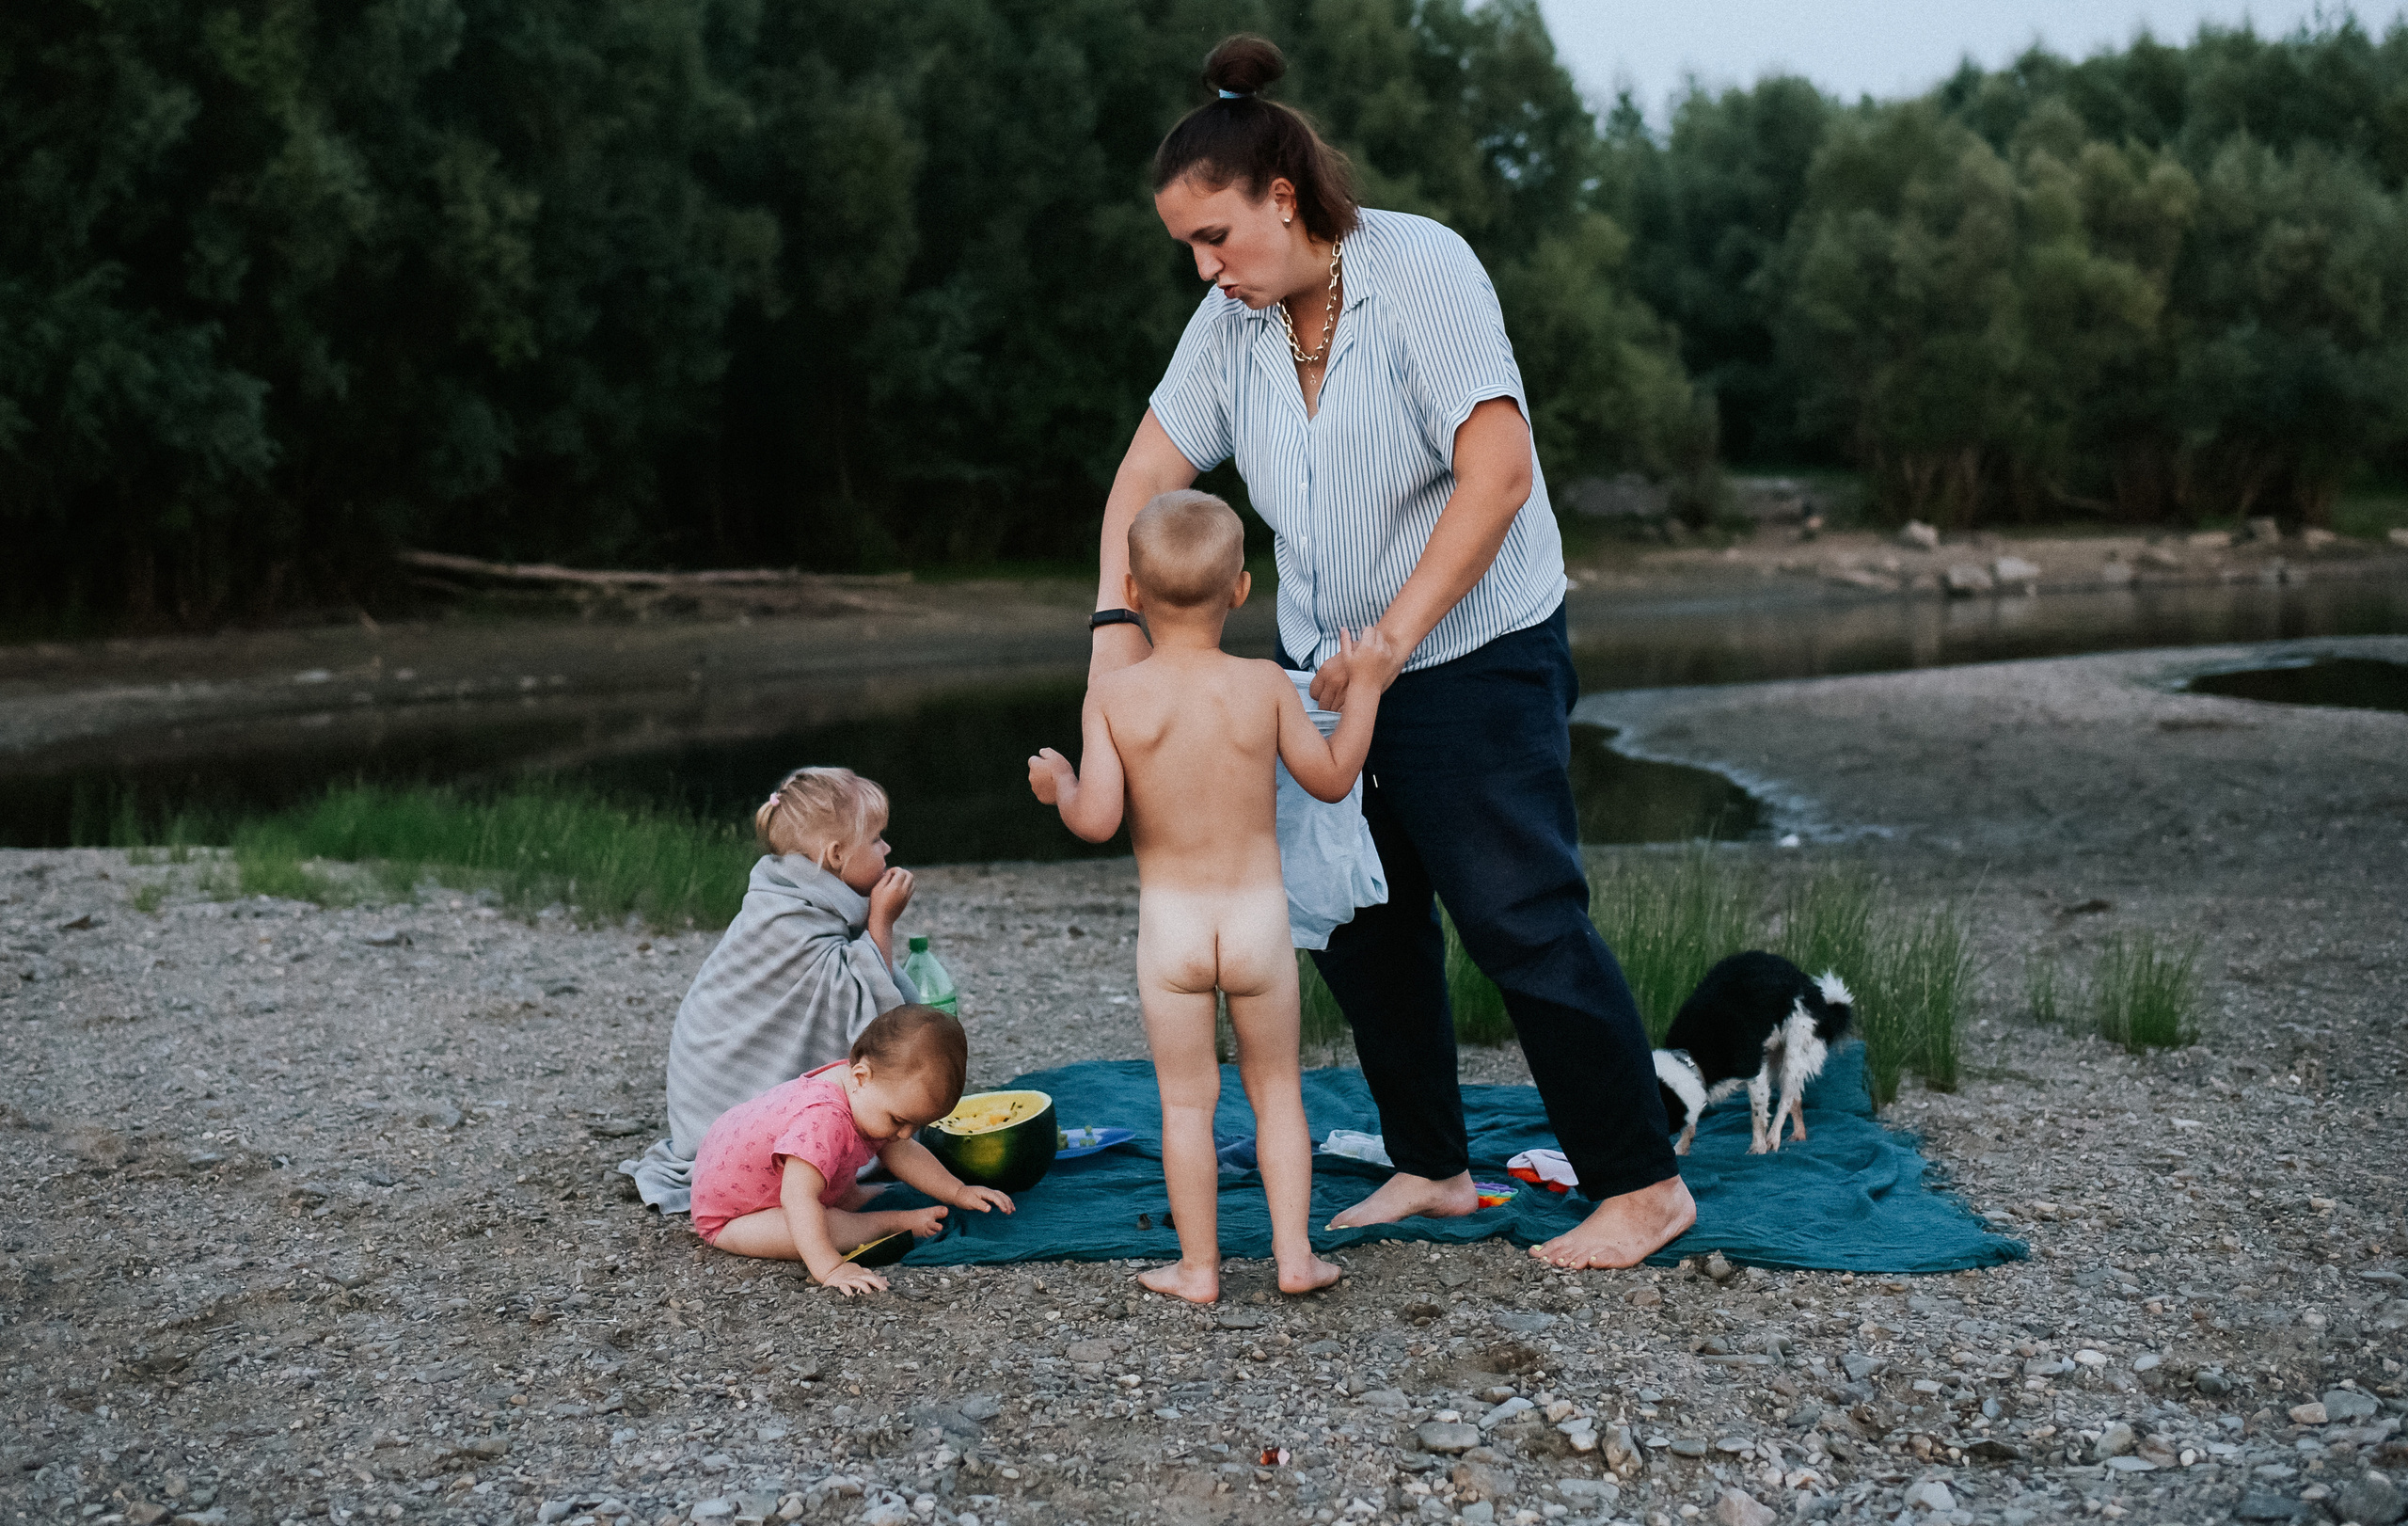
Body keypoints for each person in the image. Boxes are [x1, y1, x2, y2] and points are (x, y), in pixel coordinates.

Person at [1085, 35, 1697, 1270]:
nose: (1205, 271)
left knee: (1517, 911)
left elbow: (1499, 468)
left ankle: (1641, 1184)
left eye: (1217, 239)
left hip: (1477, 644)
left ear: (1283, 196)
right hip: (1319, 661)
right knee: (1365, 920)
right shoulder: (1231, 326)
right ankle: (1433, 1163)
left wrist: (1394, 645)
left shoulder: (1424, 271)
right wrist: (1115, 633)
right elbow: (1145, 476)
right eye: (1187, 251)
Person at [1028, 489, 1375, 1303]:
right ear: (1241, 590)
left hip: (1172, 931)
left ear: (1133, 595)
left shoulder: (1113, 697)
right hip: (1257, 924)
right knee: (1278, 1091)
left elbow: (1098, 819)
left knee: (1186, 1105)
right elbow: (1331, 780)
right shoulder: (1262, 686)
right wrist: (1365, 695)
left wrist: (1060, 784)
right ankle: (1295, 1256)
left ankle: (1198, 1268)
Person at [619, 767, 921, 1216]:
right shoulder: (782, 915)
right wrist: (881, 923)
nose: (887, 848)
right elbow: (861, 1010)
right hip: (722, 1095)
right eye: (876, 838)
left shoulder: (799, 897)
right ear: (836, 854)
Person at [689, 1004, 1010, 1295]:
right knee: (828, 1227)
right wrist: (831, 1268)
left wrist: (957, 1191)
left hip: (765, 1181)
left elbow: (904, 1151)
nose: (904, 1134)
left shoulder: (867, 1088)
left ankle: (850, 1200)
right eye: (899, 1120)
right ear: (861, 1076)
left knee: (842, 1185)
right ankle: (891, 1222)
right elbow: (797, 1198)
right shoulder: (824, 1119)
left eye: (915, 1126)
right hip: (733, 1218)